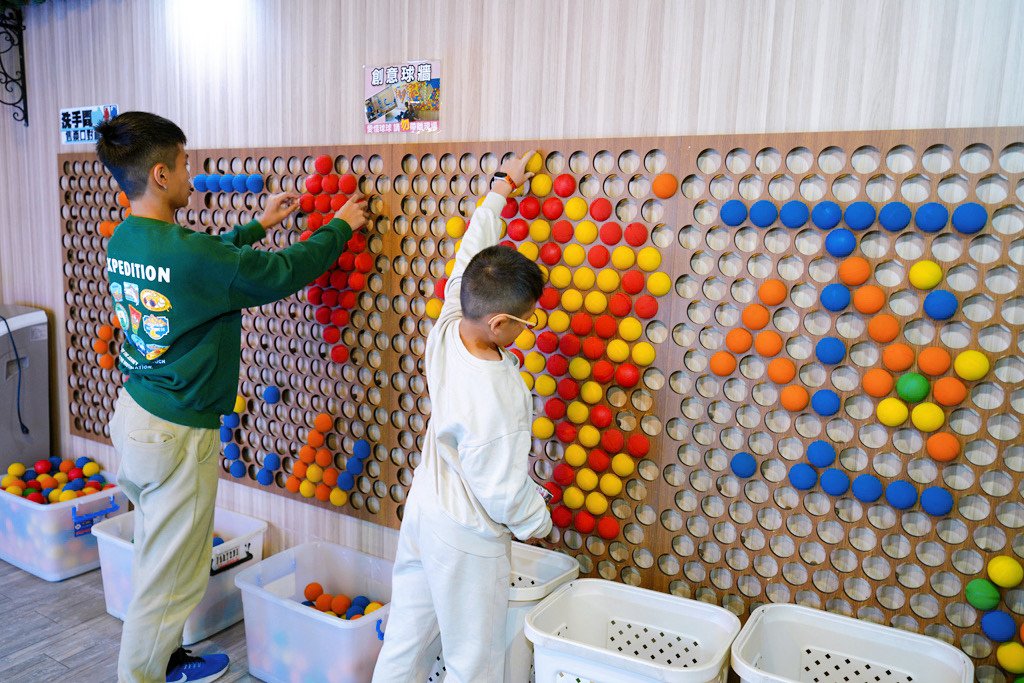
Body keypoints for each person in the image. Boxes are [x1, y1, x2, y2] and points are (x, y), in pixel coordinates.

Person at [95, 111, 368, 683]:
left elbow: (198, 267)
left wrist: (254, 226)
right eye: (188, 164)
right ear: (163, 173)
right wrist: (339, 227)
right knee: (172, 575)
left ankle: (165, 658)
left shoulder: (128, 237)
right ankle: (141, 675)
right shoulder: (186, 252)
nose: (193, 176)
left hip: (137, 413)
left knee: (155, 555)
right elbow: (280, 273)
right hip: (176, 430)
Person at [373, 151, 552, 683]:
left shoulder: (451, 325)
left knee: (407, 640)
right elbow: (499, 488)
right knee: (473, 660)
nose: (527, 327)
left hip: (425, 509)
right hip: (466, 534)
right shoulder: (496, 396)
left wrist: (500, 191)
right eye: (526, 320)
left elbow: (470, 256)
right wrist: (536, 522)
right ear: (500, 323)